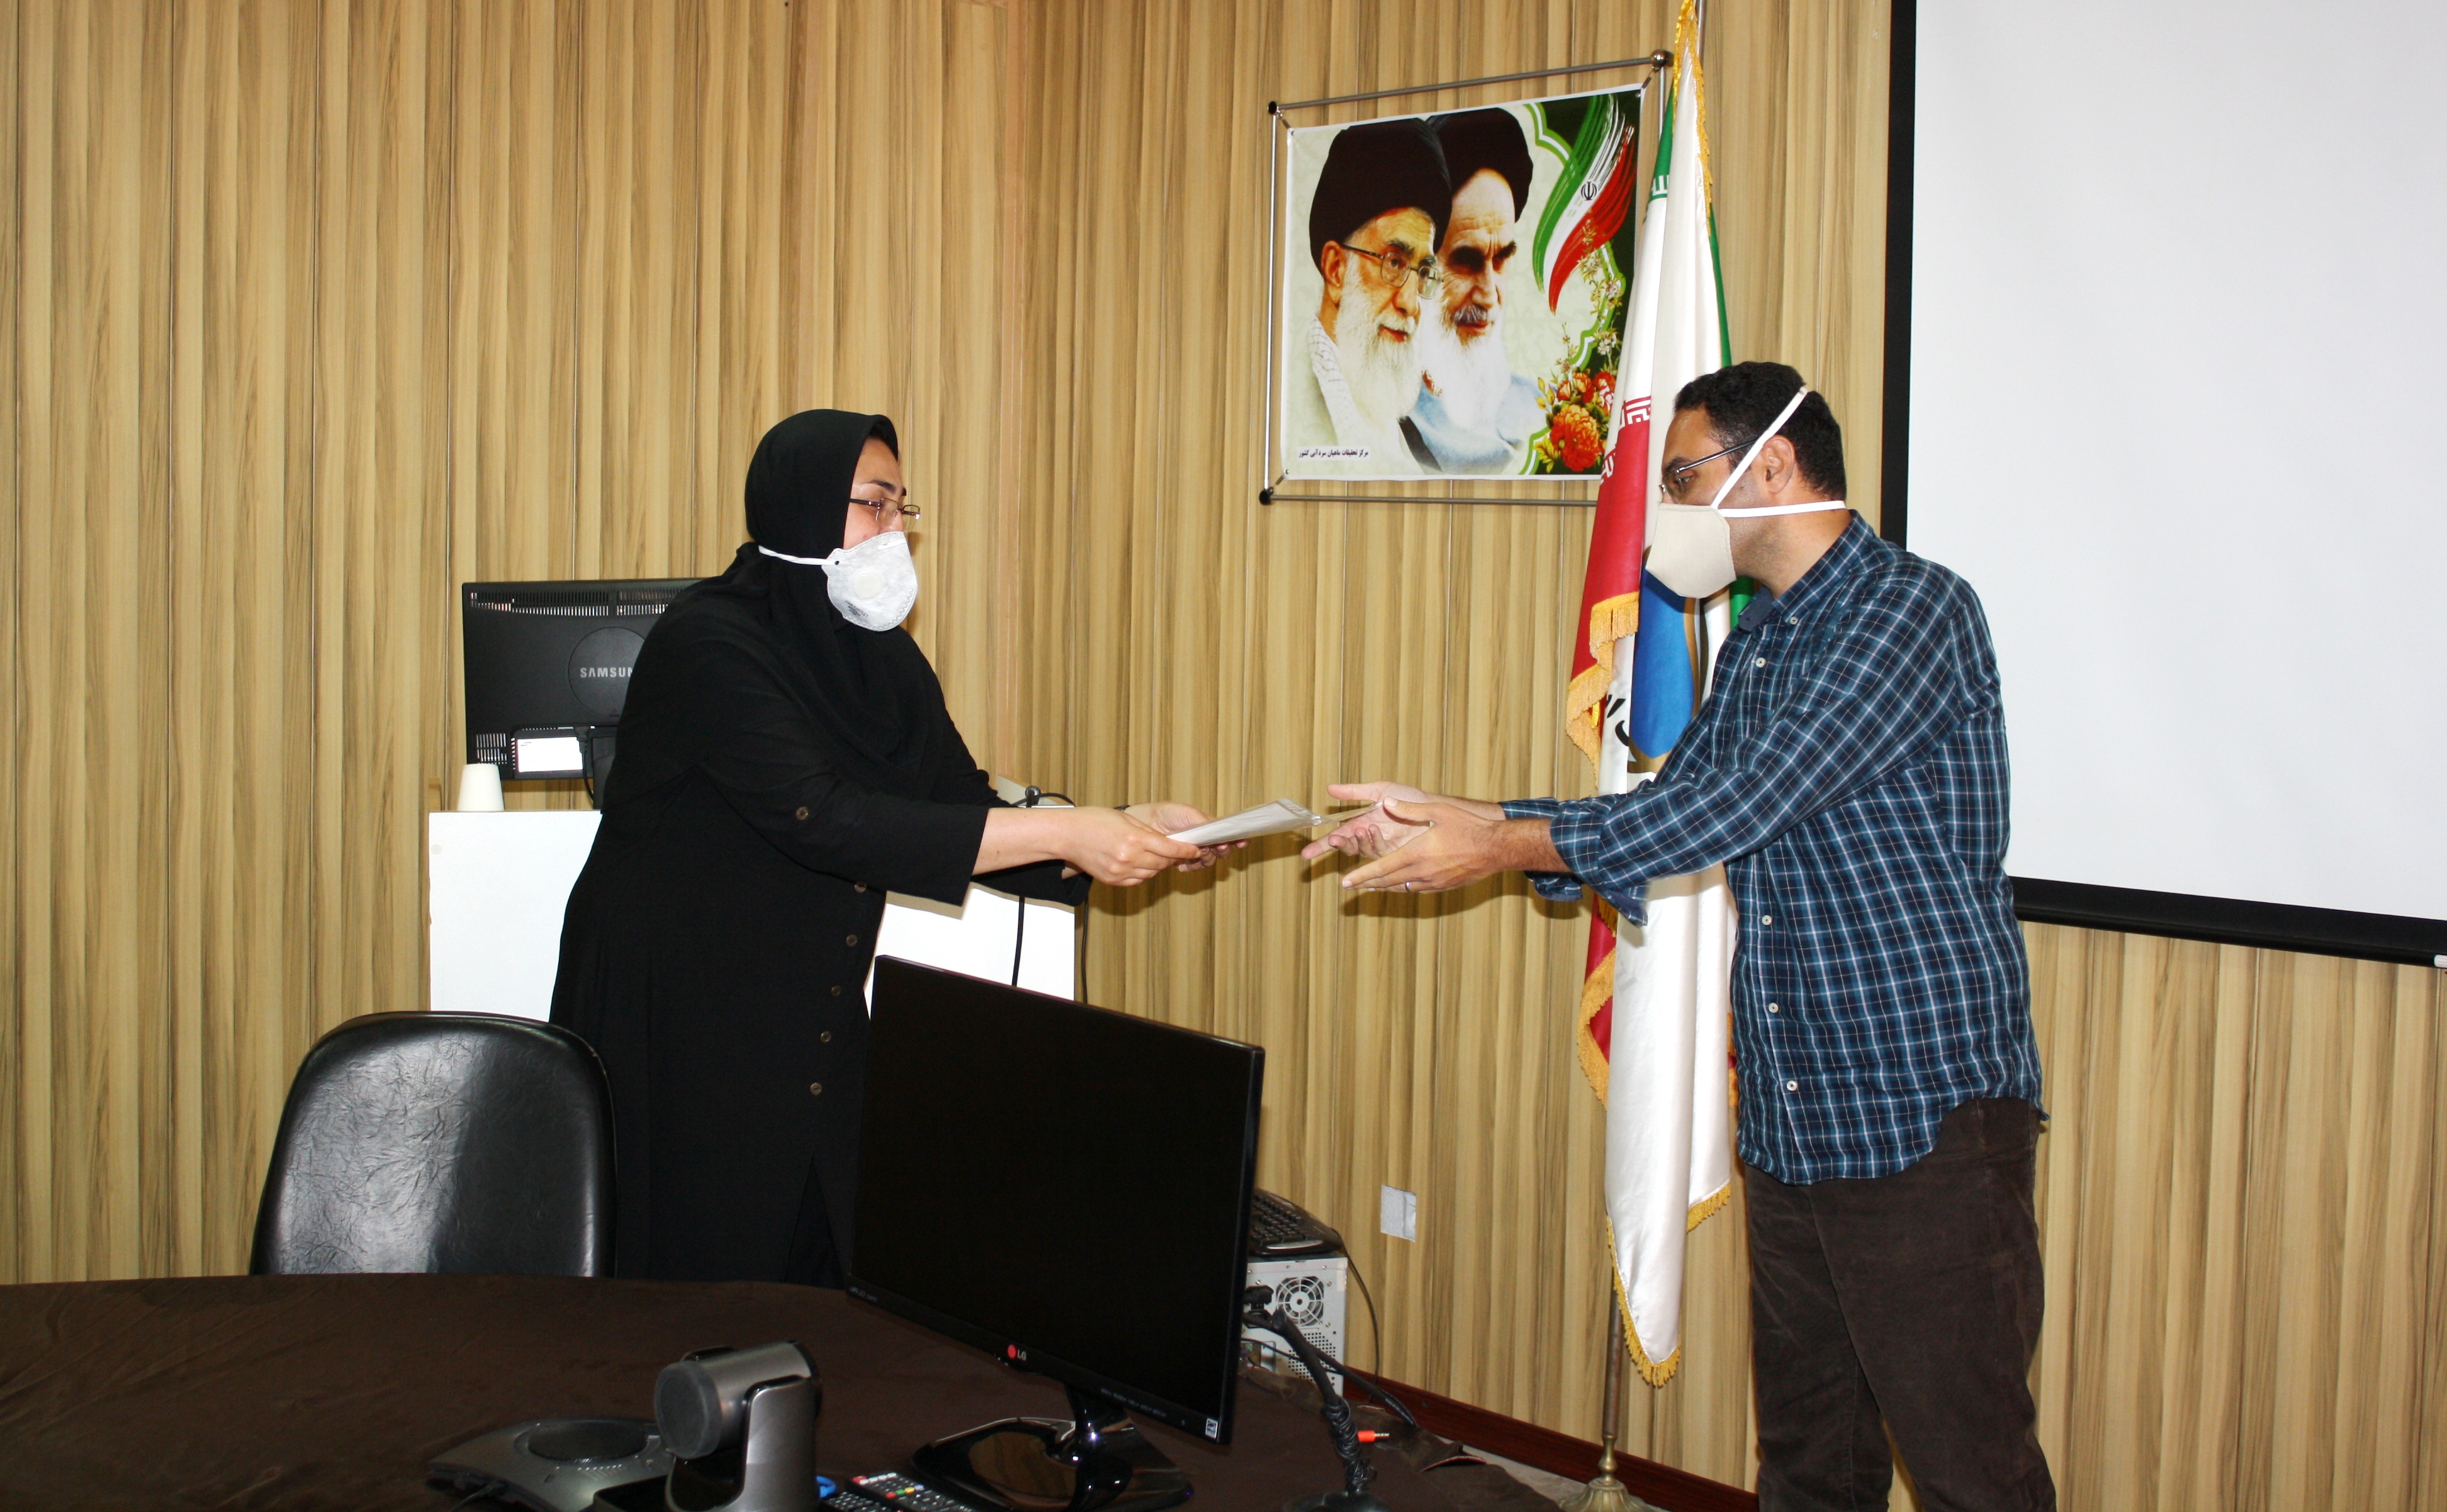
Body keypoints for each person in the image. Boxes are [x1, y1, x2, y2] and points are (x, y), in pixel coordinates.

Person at [1302, 362, 2055, 1511]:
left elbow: (1737, 806)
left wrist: (1494, 845)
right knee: (1808, 1464)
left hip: (1922, 1116)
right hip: (1798, 1115)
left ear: (1773, 466)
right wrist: (1460, 817)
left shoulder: (1911, 612)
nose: (1668, 513)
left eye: (1684, 479)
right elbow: (1669, 807)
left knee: (1969, 1470)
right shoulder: (1759, 640)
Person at [552, 410, 1217, 1286]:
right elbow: (825, 819)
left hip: (807, 999)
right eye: (873, 504)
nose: (894, 530)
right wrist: (1070, 831)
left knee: (834, 1250)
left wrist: (1123, 827)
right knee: (694, 1267)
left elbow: (960, 806)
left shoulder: (883, 659)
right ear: (800, 506)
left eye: (903, 507)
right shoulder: (707, 640)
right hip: (678, 1007)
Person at [1285, 117, 1451, 472]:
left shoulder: (1414, 443)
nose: (1411, 303)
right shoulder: (1294, 403)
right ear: (1336, 270)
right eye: (1394, 262)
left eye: (1423, 272)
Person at [1412, 109, 1545, 473]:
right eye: (1467, 261)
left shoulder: (1539, 411)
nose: (1488, 295)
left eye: (1501, 259)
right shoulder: (1379, 421)